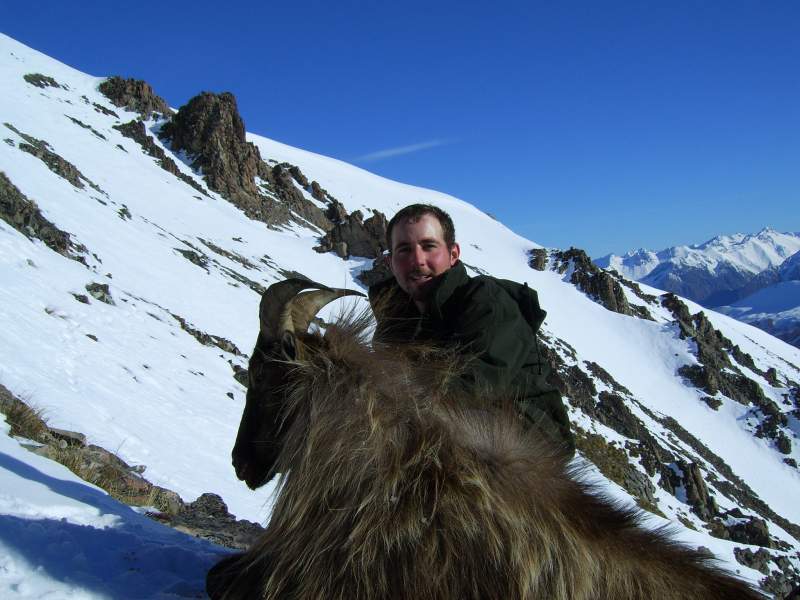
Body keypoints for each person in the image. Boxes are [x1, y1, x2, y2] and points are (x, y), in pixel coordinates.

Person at [369, 203, 574, 454]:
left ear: (453, 254)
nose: (417, 260)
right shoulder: (396, 319)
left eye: (429, 246)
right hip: (439, 427)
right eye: (404, 250)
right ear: (391, 262)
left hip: (526, 439)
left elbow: (472, 387)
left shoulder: (487, 302)